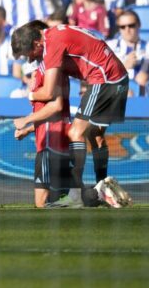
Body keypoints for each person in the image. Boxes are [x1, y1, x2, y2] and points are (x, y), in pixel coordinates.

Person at [11, 21, 133, 208]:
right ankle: (104, 188)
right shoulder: (56, 34)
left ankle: (75, 193)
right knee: (95, 134)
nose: (29, 60)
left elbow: (50, 94)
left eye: (29, 54)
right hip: (119, 78)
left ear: (37, 43)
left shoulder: (52, 45)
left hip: (105, 79)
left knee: (75, 133)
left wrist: (30, 96)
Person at [13, 64, 78, 208]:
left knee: (42, 202)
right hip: (59, 141)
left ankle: (97, 194)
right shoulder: (52, 79)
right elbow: (48, 115)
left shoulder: (46, 85)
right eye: (28, 76)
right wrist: (27, 130)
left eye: (33, 75)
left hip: (50, 143)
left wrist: (26, 120)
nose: (32, 78)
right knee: (62, 201)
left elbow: (55, 108)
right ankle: (94, 195)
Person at [108, 10, 149, 89]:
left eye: (131, 25)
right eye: (122, 27)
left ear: (139, 25)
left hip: (141, 94)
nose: (127, 30)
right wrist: (124, 66)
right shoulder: (109, 47)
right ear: (119, 29)